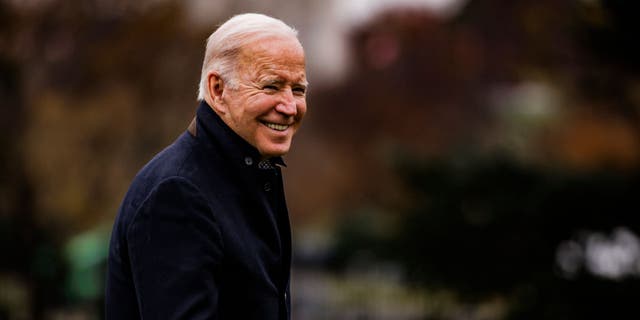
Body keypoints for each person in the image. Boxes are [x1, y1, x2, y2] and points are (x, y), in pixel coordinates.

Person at [105, 13, 308, 319]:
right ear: (217, 90)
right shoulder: (178, 194)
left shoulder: (253, 173)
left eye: (298, 89)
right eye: (271, 86)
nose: (290, 107)